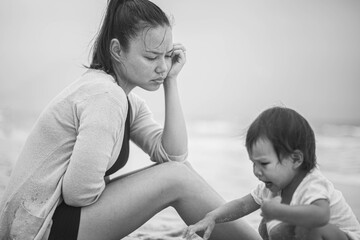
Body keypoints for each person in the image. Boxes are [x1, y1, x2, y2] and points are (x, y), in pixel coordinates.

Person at [0, 0, 262, 239]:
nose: (162, 66)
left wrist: (171, 81)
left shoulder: (123, 99)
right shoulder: (105, 96)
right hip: (39, 230)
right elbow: (78, 193)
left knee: (178, 173)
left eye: (167, 56)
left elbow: (174, 157)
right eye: (151, 57)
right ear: (117, 50)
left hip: (49, 223)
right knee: (176, 179)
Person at [183, 106, 360, 240]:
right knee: (267, 226)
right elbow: (242, 205)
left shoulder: (312, 184)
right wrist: (212, 217)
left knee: (307, 226)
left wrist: (280, 212)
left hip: (340, 236)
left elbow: (321, 216)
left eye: (264, 163)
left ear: (296, 159)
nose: (256, 171)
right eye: (253, 163)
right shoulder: (271, 187)